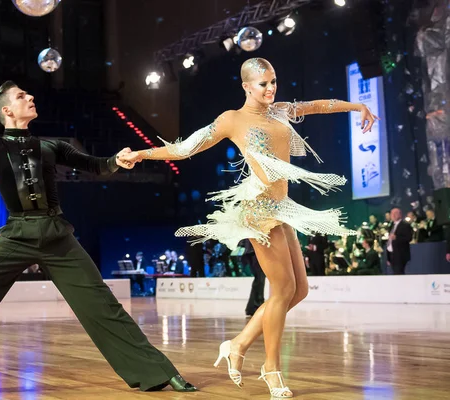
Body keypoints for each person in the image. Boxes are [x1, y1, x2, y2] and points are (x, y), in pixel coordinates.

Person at [0, 38, 195, 396]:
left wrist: (116, 161)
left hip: (57, 235)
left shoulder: (51, 146)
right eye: (21, 97)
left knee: (103, 307)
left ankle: (159, 372)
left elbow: (94, 165)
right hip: (16, 235)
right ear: (6, 112)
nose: (30, 98)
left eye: (29, 95)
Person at [121, 57, 377, 397]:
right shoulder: (232, 120)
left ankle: (238, 344)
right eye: (263, 84)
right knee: (282, 291)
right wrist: (141, 154)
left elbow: (318, 105)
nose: (270, 88)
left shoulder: (281, 110)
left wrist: (356, 105)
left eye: (273, 81)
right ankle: (271, 369)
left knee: (298, 291)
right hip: (258, 209)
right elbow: (184, 149)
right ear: (246, 86)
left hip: (282, 208)